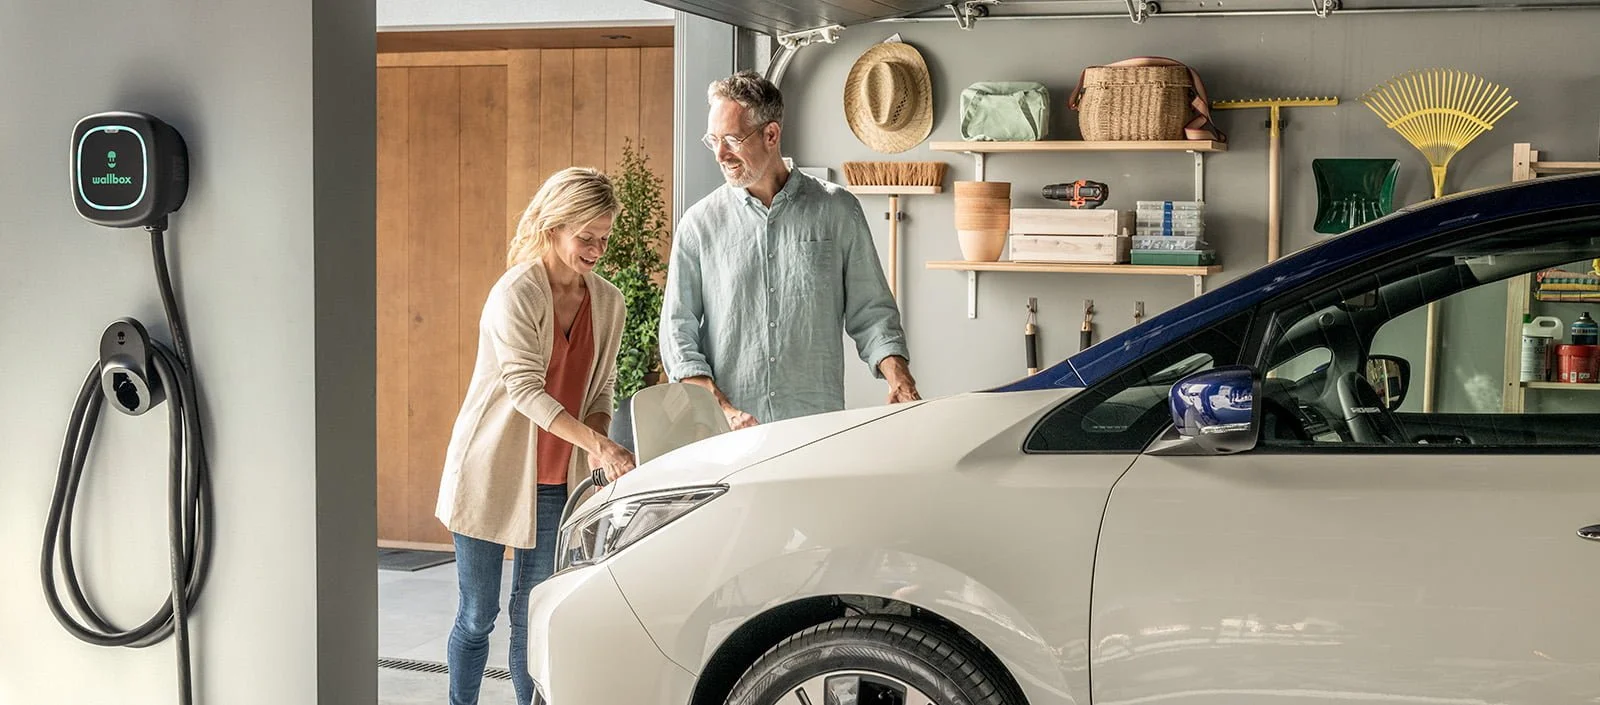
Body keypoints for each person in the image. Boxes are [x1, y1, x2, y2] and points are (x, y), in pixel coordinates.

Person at [434, 167, 637, 705]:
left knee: (533, 613)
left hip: (557, 482)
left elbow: (600, 392)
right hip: (490, 469)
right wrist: (601, 446)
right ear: (553, 228)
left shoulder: (609, 302)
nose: (597, 249)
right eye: (585, 238)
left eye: (604, 237)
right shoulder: (516, 293)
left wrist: (597, 450)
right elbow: (524, 390)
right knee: (479, 614)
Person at [659, 70, 920, 429]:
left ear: (771, 134)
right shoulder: (698, 225)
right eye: (713, 139)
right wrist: (722, 408)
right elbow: (677, 334)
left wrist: (899, 378)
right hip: (727, 434)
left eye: (732, 139)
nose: (720, 154)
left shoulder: (837, 210)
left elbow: (872, 312)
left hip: (814, 432)